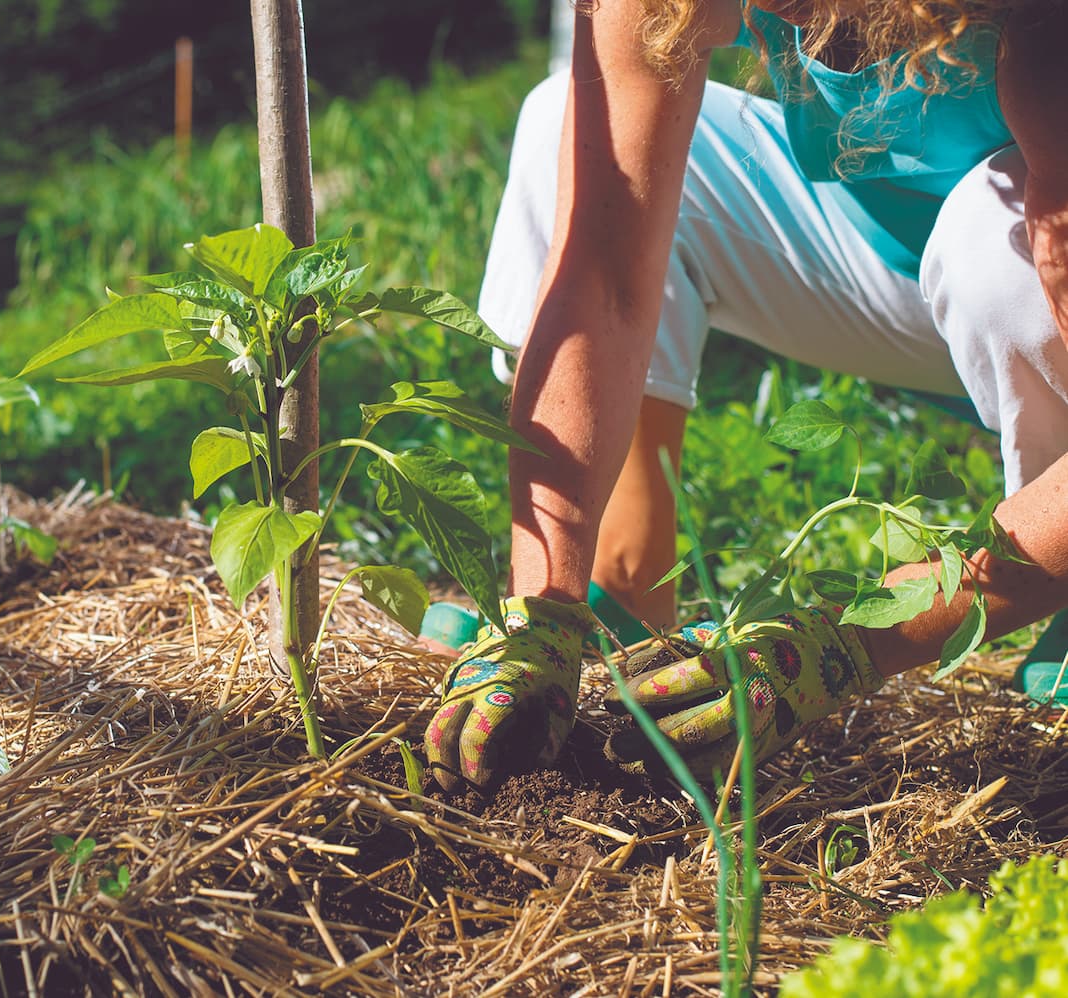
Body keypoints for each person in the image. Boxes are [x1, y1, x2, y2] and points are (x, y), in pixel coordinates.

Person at [423, 0, 1068, 792]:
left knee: (987, 238)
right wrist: (539, 608)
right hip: (891, 260)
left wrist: (842, 648)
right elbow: (606, 271)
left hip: (1020, 276)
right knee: (570, 116)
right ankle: (624, 585)